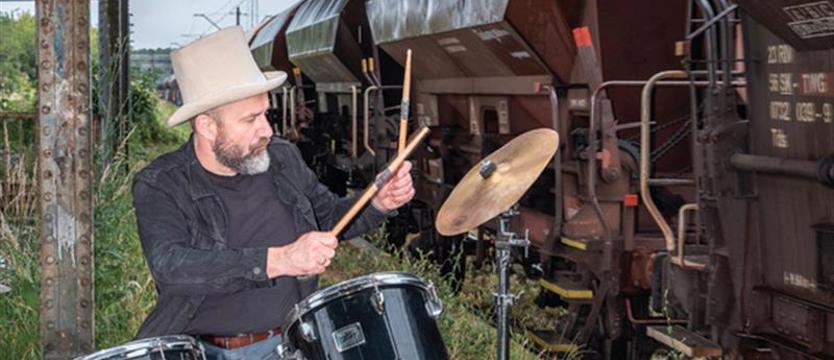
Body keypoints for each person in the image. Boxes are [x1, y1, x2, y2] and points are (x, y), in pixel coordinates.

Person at [132, 26, 414, 359]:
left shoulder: (281, 158)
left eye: (265, 114)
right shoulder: (162, 183)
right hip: (203, 351)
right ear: (207, 126)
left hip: (291, 345)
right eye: (250, 119)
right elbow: (173, 267)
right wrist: (278, 260)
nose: (267, 130)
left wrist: (377, 203)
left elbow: (330, 219)